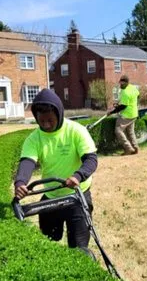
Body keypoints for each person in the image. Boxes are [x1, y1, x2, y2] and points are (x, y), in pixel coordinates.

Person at [13, 88, 98, 253]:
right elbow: (27, 163)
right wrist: (20, 182)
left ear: (59, 114)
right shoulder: (34, 138)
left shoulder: (76, 130)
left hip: (77, 194)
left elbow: (91, 159)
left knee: (78, 247)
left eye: (50, 120)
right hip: (51, 196)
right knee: (49, 242)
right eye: (42, 121)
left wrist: (78, 176)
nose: (46, 125)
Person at [111, 75, 140, 155]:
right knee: (130, 132)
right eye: (120, 83)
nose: (120, 85)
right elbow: (138, 96)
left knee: (118, 130)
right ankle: (135, 148)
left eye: (122, 83)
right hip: (134, 113)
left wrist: (112, 112)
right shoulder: (133, 87)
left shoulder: (125, 92)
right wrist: (120, 104)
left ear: (126, 83)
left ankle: (128, 149)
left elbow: (123, 106)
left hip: (126, 115)